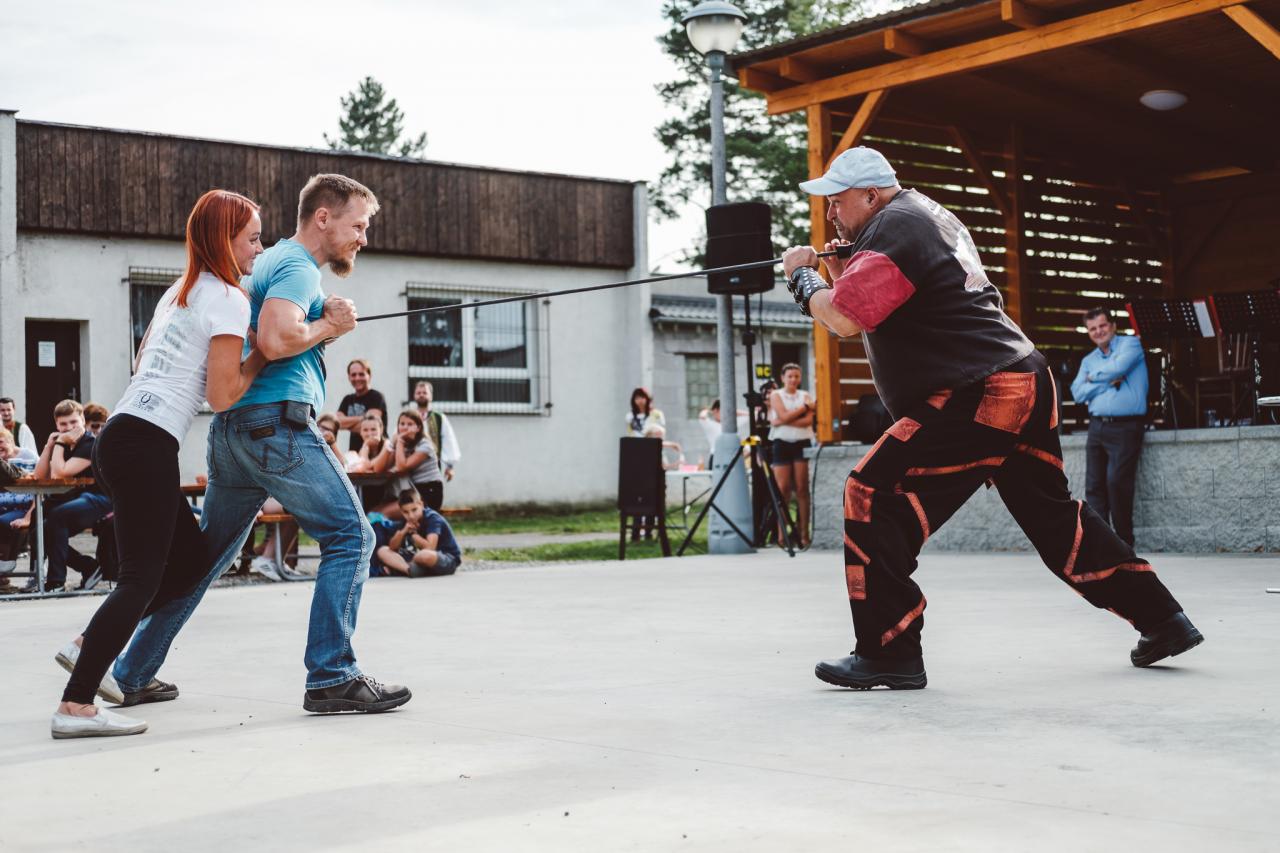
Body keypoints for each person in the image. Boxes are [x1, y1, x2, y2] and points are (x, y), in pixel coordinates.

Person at [781, 146, 1201, 690]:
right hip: (1021, 380)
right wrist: (843, 271)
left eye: (837, 202)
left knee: (871, 493)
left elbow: (842, 317)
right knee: (1055, 520)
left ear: (870, 195)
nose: (831, 214)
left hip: (980, 390)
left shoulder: (894, 225)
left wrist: (803, 278)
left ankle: (889, 652)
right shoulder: (919, 215)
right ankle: (1163, 619)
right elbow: (881, 304)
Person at [109, 173, 411, 716]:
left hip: (234, 433)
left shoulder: (267, 261)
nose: (363, 238)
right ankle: (332, 676)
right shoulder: (297, 266)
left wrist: (320, 321)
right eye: (358, 225)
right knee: (352, 535)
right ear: (324, 217)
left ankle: (131, 673)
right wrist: (330, 327)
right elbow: (275, 338)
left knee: (204, 560)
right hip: (275, 426)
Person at [49, 189, 269, 738]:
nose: (259, 249)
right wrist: (263, 351)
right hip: (145, 443)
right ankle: (76, 705)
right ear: (225, 240)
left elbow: (143, 360)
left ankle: (86, 644)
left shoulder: (181, 290)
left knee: (189, 562)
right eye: (252, 239)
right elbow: (222, 395)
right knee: (140, 579)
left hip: (123, 436)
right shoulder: (229, 298)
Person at [1070, 308, 1148, 547]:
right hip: (1097, 427)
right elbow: (1077, 392)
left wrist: (1092, 378)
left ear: (1113, 325)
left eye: (1102, 326)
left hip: (1126, 427)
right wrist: (1106, 382)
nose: (1098, 332)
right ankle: (1102, 544)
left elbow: (1118, 368)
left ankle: (1124, 544)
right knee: (1094, 487)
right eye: (1092, 328)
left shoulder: (1131, 345)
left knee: (1117, 484)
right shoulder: (1088, 360)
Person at [16, 400, 112, 593]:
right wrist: (49, 446)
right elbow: (40, 476)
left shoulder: (90, 443)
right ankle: (87, 566)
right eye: (63, 424)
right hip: (75, 498)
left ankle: (56, 581)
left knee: (57, 516)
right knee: (39, 529)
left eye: (73, 422)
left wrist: (59, 442)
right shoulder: (64, 445)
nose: (68, 428)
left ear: (82, 420)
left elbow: (60, 473)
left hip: (101, 498)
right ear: (56, 425)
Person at [768, 363, 816, 549]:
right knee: (783, 489)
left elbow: (807, 421)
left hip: (801, 442)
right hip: (782, 443)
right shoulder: (776, 395)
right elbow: (784, 415)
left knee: (802, 489)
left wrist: (782, 420)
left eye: (796, 376)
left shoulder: (805, 395)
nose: (793, 379)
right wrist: (803, 409)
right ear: (783, 378)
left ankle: (804, 534)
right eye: (790, 376)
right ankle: (782, 535)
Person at [371, 489, 461, 578]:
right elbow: (392, 547)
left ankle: (401, 569)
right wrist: (403, 531)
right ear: (401, 511)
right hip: (416, 558)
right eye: (406, 512)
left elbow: (430, 548)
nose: (411, 516)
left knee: (424, 555)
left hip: (445, 558)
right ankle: (409, 570)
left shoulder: (433, 518)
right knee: (382, 550)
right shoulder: (405, 521)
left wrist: (414, 535)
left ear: (421, 504)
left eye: (414, 510)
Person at [375, 410, 443, 514]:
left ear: (418, 428)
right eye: (402, 424)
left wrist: (400, 441)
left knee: (378, 514)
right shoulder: (402, 445)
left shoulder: (425, 445)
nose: (405, 427)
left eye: (410, 424)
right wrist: (391, 444)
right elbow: (379, 468)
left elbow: (401, 467)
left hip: (427, 492)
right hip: (408, 492)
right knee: (373, 512)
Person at [0, 426, 38, 585]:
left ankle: (4, 570)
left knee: (5, 522)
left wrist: (29, 516)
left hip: (23, 507)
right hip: (4, 507)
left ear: (11, 441)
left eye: (1, 442)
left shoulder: (27, 456)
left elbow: (39, 484)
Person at [413, 380, 460, 489]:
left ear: (431, 396)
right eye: (418, 393)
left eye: (424, 392)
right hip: (412, 465)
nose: (421, 395)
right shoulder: (408, 416)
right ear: (414, 396)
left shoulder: (439, 418)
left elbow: (449, 440)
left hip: (433, 467)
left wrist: (450, 466)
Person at [336, 359, 386, 454]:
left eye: (361, 374)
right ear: (349, 377)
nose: (357, 378)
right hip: (354, 451)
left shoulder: (376, 397)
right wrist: (363, 418)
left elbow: (372, 425)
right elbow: (338, 422)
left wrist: (347, 424)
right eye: (353, 375)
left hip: (377, 453)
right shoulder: (347, 399)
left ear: (369, 375)